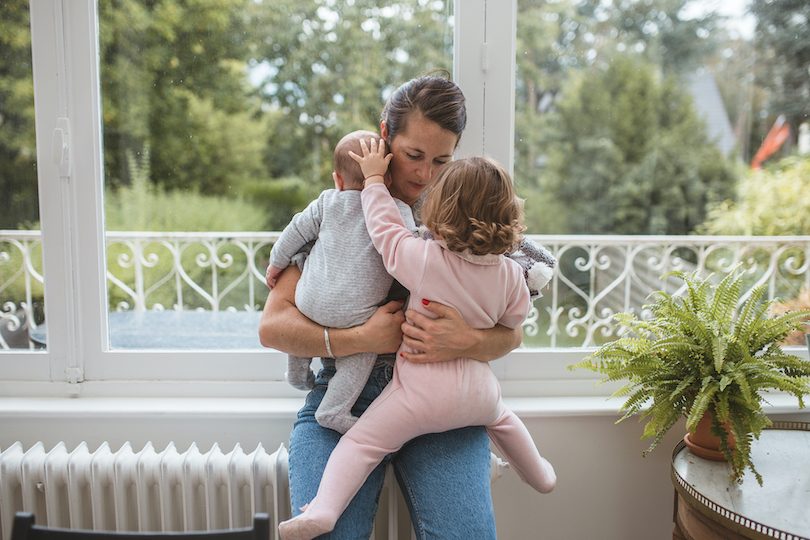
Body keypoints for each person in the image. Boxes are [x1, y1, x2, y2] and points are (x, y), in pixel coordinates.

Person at [259, 72, 525, 539]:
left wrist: (470, 340)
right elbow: (274, 326)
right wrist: (360, 339)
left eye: (442, 160)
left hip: (442, 405)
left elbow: (513, 330)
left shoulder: (468, 216)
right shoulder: (341, 206)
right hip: (345, 399)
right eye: (413, 155)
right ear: (385, 136)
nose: (425, 175)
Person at [265, 130, 416, 435]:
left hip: (309, 301)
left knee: (306, 308)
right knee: (364, 349)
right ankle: (333, 410)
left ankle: (296, 373)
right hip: (356, 316)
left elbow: (294, 232)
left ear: (337, 179)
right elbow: (411, 252)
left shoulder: (326, 201)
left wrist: (276, 263)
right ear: (386, 178)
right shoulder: (397, 211)